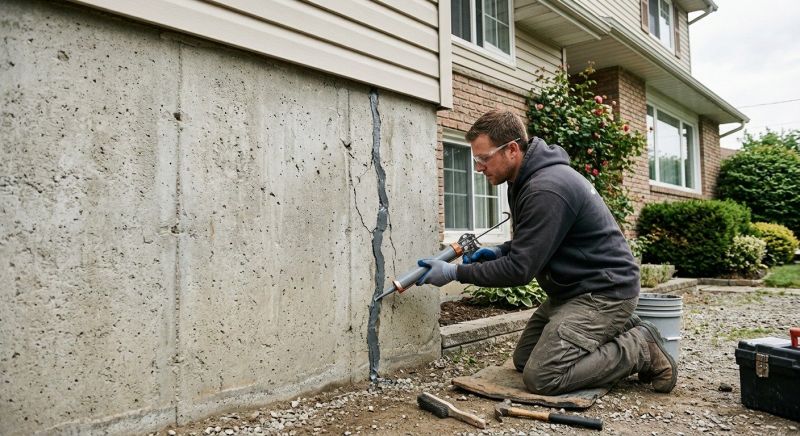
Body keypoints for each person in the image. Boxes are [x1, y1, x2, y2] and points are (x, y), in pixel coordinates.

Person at [416, 110, 677, 395]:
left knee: (544, 376)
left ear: (512, 150)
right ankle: (618, 326)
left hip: (602, 292)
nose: (478, 167)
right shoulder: (523, 181)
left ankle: (640, 348)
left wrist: (454, 272)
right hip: (572, 293)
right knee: (524, 360)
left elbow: (520, 270)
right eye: (476, 159)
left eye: (483, 158)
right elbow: (540, 240)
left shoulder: (546, 188)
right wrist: (500, 251)